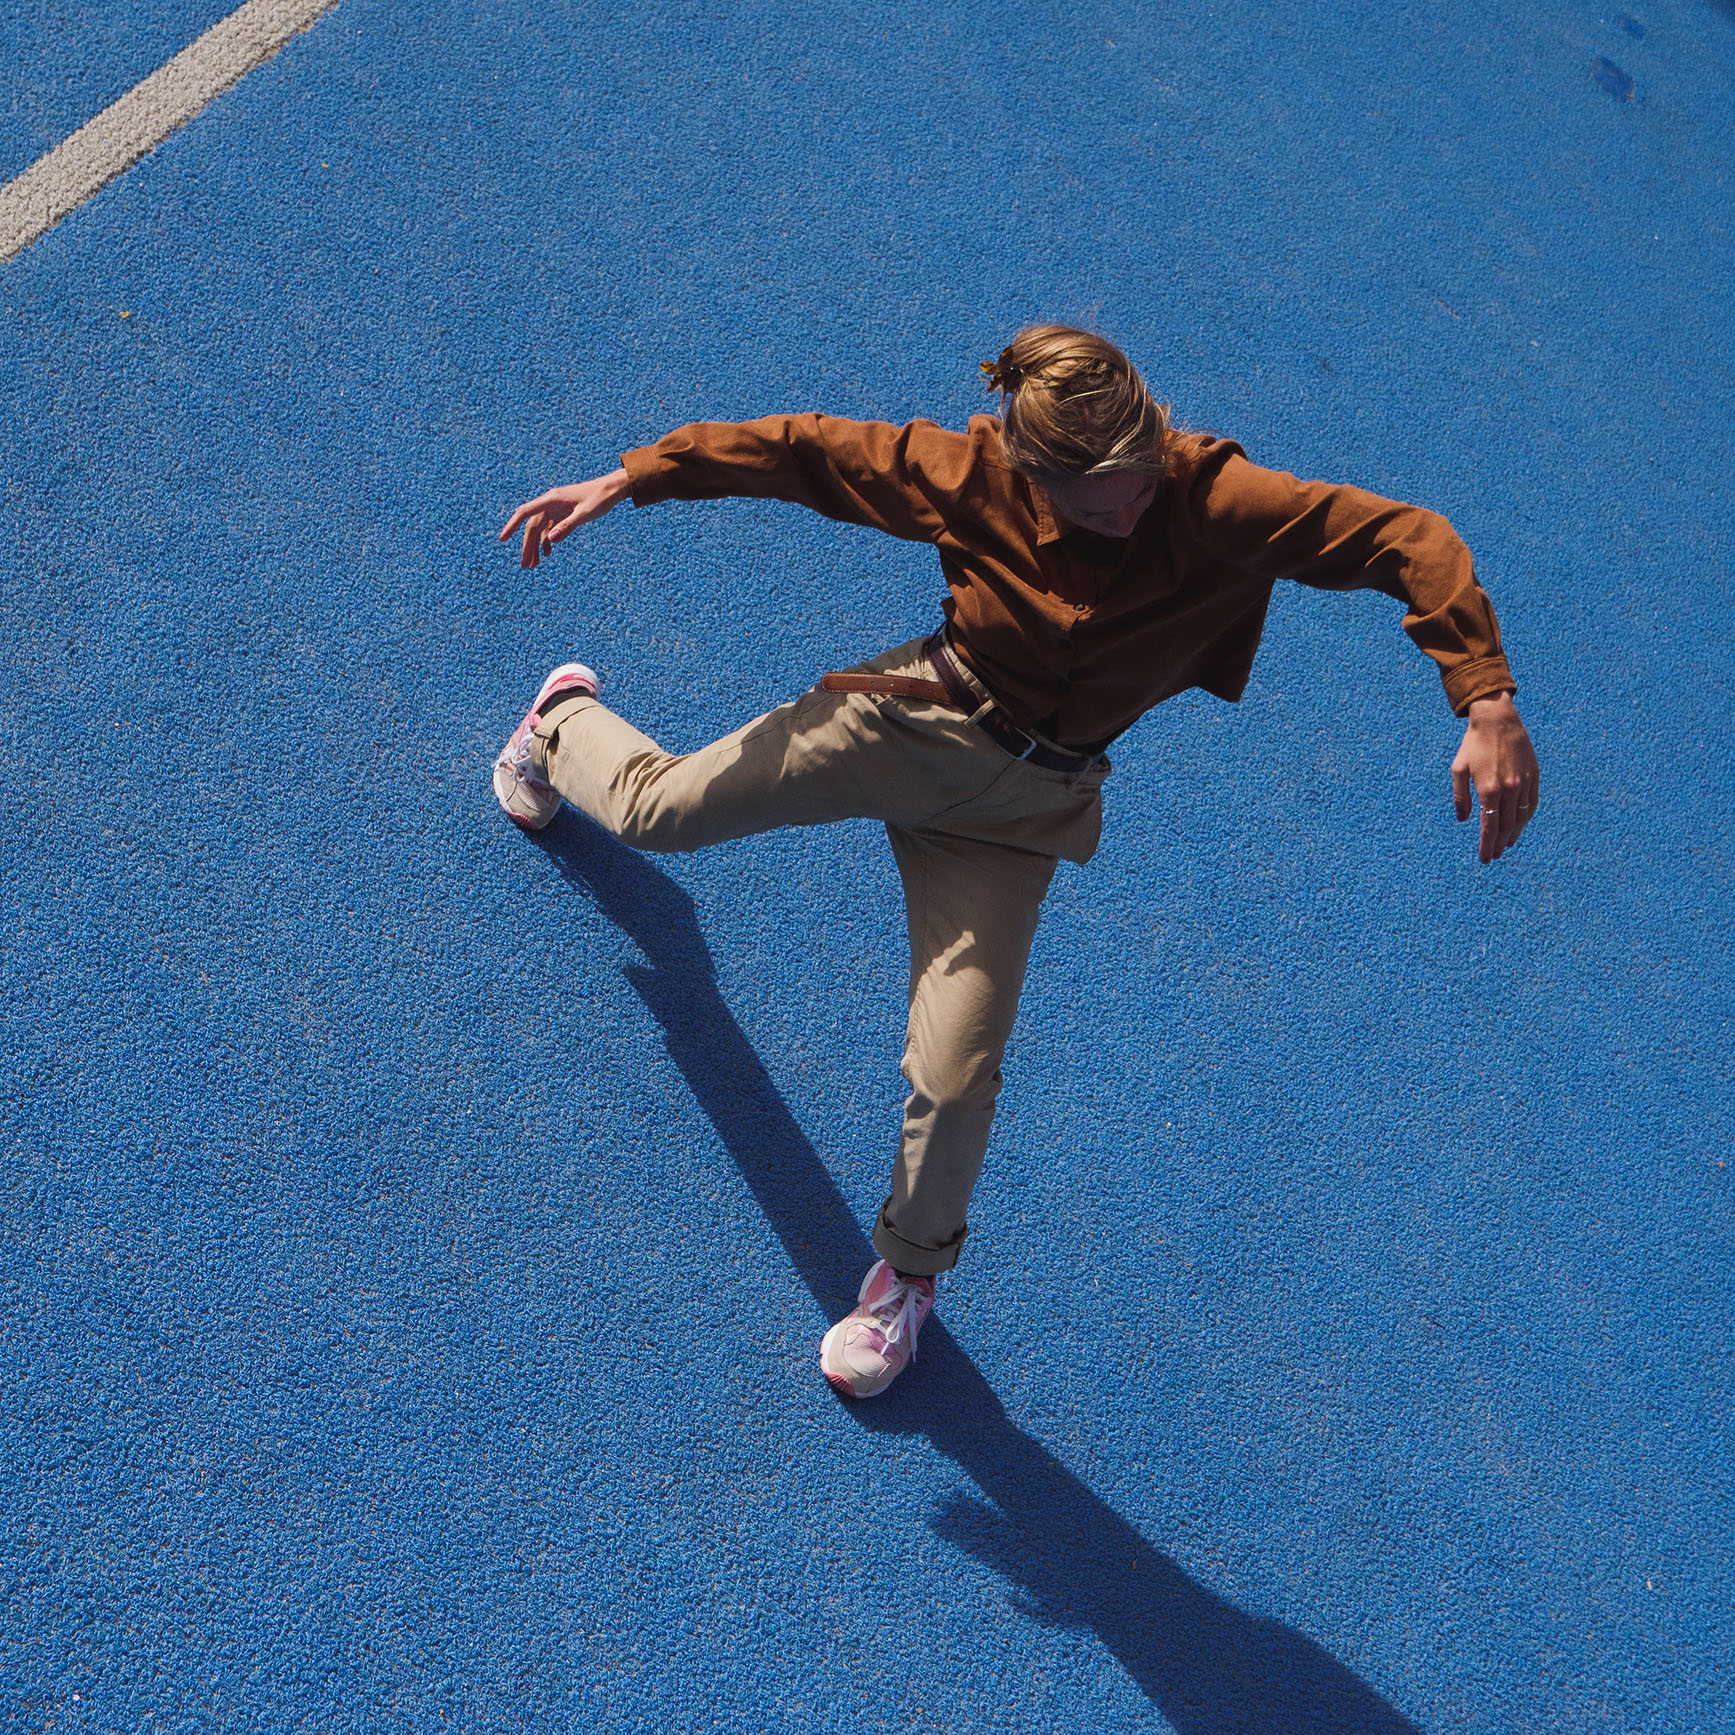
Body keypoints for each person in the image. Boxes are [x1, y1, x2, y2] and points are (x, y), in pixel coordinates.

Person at [490, 324, 1540, 1400]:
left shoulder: (1216, 498)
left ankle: (906, 1278)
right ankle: (563, 720)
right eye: (1096, 507)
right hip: (909, 728)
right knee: (660, 812)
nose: (1128, 514)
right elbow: (802, 452)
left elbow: (1406, 537)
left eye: (1138, 486)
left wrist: (1486, 696)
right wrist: (635, 475)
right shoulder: (970, 475)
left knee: (954, 1075)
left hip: (1024, 813)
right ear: (1033, 475)